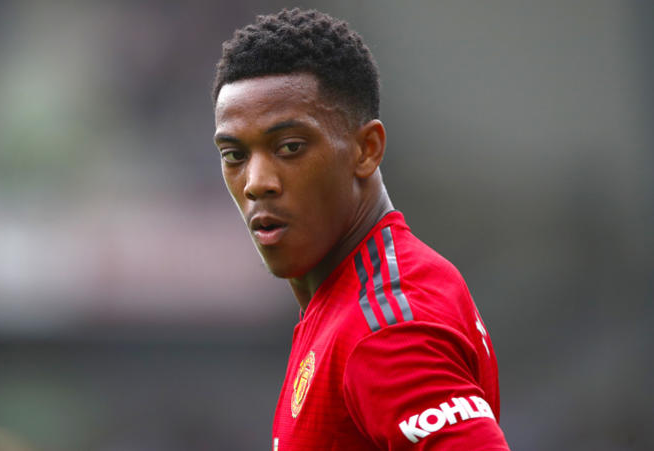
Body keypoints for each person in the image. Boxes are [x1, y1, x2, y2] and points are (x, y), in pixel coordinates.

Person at [211, 8, 510, 451]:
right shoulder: (347, 300)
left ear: (366, 150)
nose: (257, 182)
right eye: (235, 155)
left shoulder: (385, 328)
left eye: (289, 147)